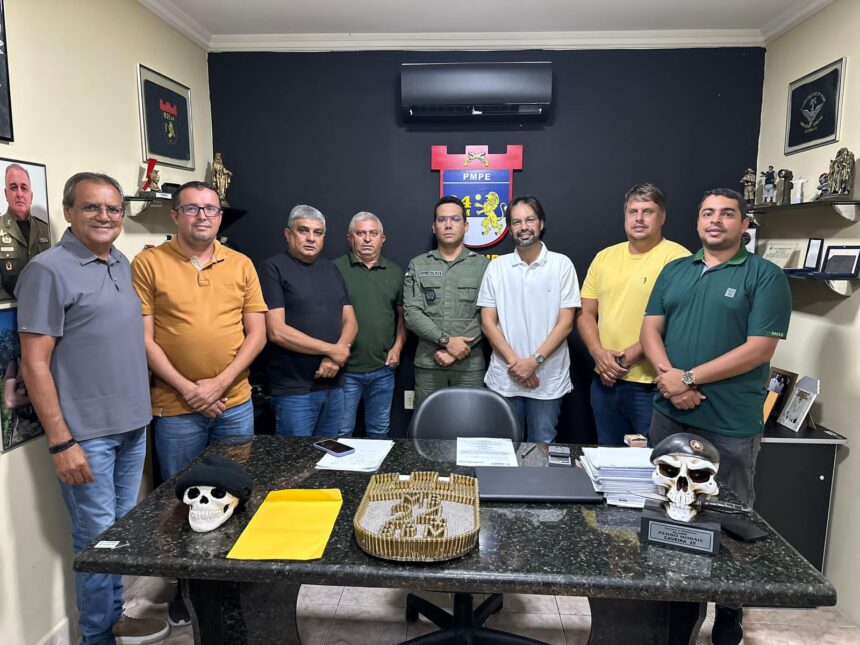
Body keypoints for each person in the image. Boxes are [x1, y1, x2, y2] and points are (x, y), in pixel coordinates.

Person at [16, 172, 168, 644]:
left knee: (117, 536)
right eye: (91, 207)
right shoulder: (47, 270)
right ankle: (97, 637)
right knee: (96, 541)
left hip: (133, 426)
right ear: (68, 212)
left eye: (113, 208)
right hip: (87, 436)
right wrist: (62, 442)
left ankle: (115, 617)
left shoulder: (121, 262)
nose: (105, 216)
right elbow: (34, 364)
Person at [640, 188, 791, 645]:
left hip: (729, 422)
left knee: (732, 519)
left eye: (727, 214)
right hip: (669, 416)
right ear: (697, 221)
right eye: (708, 213)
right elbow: (650, 329)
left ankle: (729, 609)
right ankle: (667, 600)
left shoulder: (764, 276)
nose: (715, 220)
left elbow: (759, 349)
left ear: (743, 224)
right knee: (666, 505)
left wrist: (687, 378)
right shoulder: (675, 270)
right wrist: (669, 379)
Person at [131, 180, 268, 624]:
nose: (202, 216)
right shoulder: (149, 263)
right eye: (192, 208)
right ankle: (185, 589)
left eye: (210, 208)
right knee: (181, 500)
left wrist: (220, 383)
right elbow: (144, 338)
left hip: (235, 403)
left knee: (234, 493)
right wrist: (189, 388)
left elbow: (257, 334)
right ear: (175, 215)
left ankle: (231, 582)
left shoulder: (241, 264)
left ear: (220, 216)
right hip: (175, 406)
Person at [577, 183, 689, 445]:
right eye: (633, 211)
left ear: (662, 217)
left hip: (652, 385)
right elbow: (585, 313)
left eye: (647, 211)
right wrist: (599, 355)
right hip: (605, 382)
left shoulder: (678, 259)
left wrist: (624, 359)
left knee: (653, 459)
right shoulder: (604, 257)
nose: (639, 218)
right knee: (608, 458)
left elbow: (677, 320)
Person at [477, 195, 579, 443]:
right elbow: (487, 322)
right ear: (509, 228)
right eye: (516, 222)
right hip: (505, 378)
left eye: (530, 220)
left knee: (541, 447)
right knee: (504, 448)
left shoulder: (561, 265)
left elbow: (566, 323)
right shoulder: (497, 267)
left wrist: (534, 362)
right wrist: (517, 364)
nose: (524, 227)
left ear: (541, 223)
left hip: (547, 380)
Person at [260, 205, 357, 436]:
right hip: (294, 391)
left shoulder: (332, 269)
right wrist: (332, 350)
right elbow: (277, 331)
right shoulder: (272, 268)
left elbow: (351, 321)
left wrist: (335, 356)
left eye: (318, 232)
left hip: (334, 384)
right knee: (296, 457)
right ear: (288, 234)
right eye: (303, 230)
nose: (311, 238)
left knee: (330, 454)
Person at [403, 196, 489, 408]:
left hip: (469, 366)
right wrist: (447, 341)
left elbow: (488, 315)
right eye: (442, 220)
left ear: (465, 226)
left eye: (455, 219)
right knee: (428, 425)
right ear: (434, 227)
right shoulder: (418, 265)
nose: (448, 225)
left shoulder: (483, 267)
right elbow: (412, 314)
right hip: (429, 364)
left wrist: (457, 349)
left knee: (471, 423)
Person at [334, 212, 406, 438]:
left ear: (382, 239)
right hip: (344, 370)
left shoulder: (396, 272)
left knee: (379, 432)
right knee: (341, 432)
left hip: (383, 369)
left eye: (373, 233)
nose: (367, 239)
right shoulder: (334, 270)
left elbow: (403, 317)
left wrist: (397, 348)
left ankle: (377, 466)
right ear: (350, 238)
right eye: (360, 233)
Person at [1, 163, 52, 300]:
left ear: (31, 195)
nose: (19, 194)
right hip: (8, 307)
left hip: (43, 303)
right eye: (13, 187)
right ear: (6, 194)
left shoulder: (45, 229)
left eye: (24, 188)